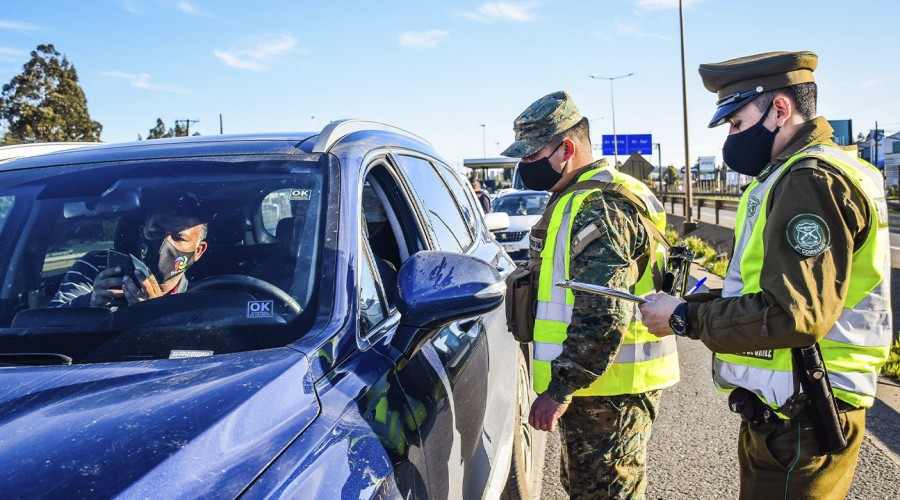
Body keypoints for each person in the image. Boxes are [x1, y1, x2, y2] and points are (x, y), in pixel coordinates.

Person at [638, 51, 892, 499]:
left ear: (780, 110)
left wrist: (684, 318)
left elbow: (794, 314)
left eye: (736, 124)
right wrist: (690, 307)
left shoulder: (811, 178)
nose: (732, 138)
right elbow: (764, 291)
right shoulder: (797, 173)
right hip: (790, 411)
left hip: (807, 416)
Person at [502, 90, 679, 498]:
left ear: (566, 149)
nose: (523, 166)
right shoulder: (582, 196)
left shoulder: (599, 206)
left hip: (607, 391)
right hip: (598, 387)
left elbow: (604, 312)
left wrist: (559, 389)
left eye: (530, 157)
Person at [48, 193, 209, 308]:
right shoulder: (95, 268)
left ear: (198, 251)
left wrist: (155, 314)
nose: (164, 243)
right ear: (141, 233)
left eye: (178, 238)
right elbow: (45, 324)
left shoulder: (199, 301)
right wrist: (89, 303)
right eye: (155, 232)